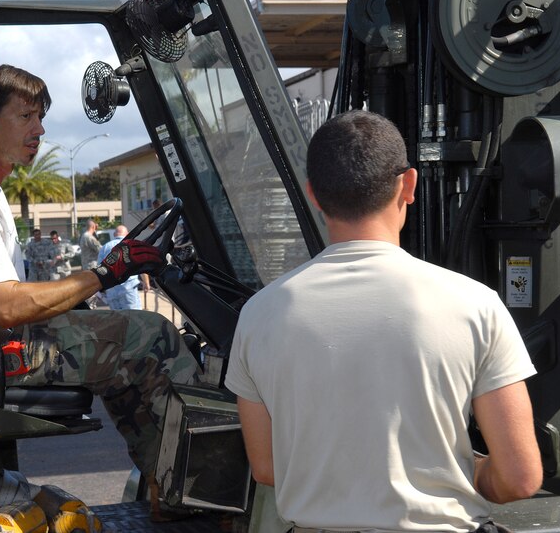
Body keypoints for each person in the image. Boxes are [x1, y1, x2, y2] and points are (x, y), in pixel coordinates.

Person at [225, 110, 542, 532]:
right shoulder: (475, 305)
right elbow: (520, 477)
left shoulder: (259, 314)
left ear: (314, 195)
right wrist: (470, 472)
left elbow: (267, 467)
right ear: (408, 185)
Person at [0, 63, 201, 516]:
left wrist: (85, 292)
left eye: (42, 117)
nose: (40, 129)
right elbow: (4, 305)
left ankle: (163, 486)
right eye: (26, 116)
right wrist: (101, 275)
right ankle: (195, 487)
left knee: (123, 348)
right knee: (154, 335)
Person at [97, 225, 152, 310]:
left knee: (117, 320)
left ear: (115, 234)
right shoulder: (132, 246)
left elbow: (99, 269)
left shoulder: (105, 247)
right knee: (134, 318)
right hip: (128, 288)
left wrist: (100, 291)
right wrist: (146, 283)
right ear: (127, 234)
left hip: (111, 290)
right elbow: (141, 267)